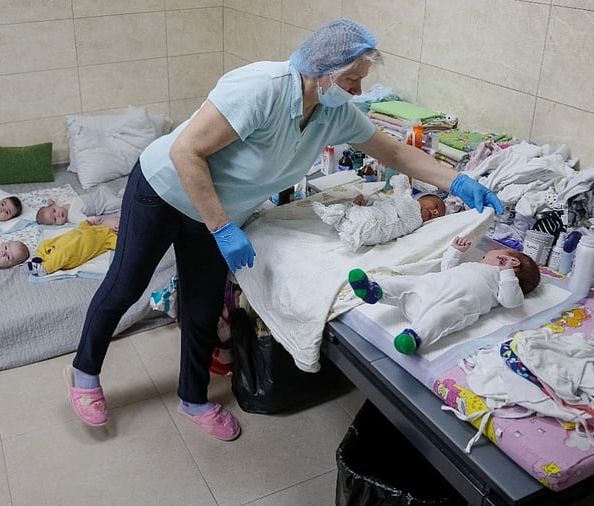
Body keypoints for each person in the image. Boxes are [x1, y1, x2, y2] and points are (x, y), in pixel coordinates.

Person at [63, 18, 504, 439]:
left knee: (200, 308)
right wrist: (222, 228)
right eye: (352, 80)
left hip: (217, 213)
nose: (359, 90)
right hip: (165, 189)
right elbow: (185, 152)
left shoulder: (334, 112)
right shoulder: (261, 88)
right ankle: (84, 372)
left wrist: (459, 181)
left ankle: (193, 399)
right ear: (324, 70)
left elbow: (395, 153)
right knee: (125, 285)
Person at [349, 236, 540, 355]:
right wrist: (454, 252)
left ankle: (415, 337)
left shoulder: (504, 281)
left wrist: (507, 273)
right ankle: (375, 290)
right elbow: (448, 269)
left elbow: (511, 302)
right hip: (430, 286)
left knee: (442, 316)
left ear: (512, 261)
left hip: (454, 303)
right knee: (408, 282)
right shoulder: (476, 266)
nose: (483, 257)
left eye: (488, 254)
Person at [312, 174, 447, 251]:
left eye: (438, 214)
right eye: (435, 205)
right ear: (421, 198)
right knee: (351, 213)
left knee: (364, 219)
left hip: (378, 225)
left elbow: (403, 201)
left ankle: (346, 227)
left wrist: (401, 182)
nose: (435, 211)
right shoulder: (396, 202)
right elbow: (379, 203)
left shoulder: (415, 218)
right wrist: (361, 203)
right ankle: (334, 216)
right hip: (373, 215)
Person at [26, 221, 118, 276]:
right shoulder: (97, 227)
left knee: (62, 254)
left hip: (72, 253)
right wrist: (90, 222)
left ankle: (44, 268)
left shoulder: (109, 237)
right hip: (57, 244)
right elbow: (82, 226)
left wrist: (123, 235)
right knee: (44, 244)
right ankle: (38, 258)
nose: (117, 223)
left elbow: (122, 243)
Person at [35, 184, 122, 229]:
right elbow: (85, 221)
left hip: (98, 194)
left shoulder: (61, 203)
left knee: (113, 193)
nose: (57, 215)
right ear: (55, 225)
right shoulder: (72, 217)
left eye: (54, 211)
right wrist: (94, 221)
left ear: (54, 205)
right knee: (120, 203)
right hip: (102, 204)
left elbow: (54, 198)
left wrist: (51, 201)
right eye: (55, 219)